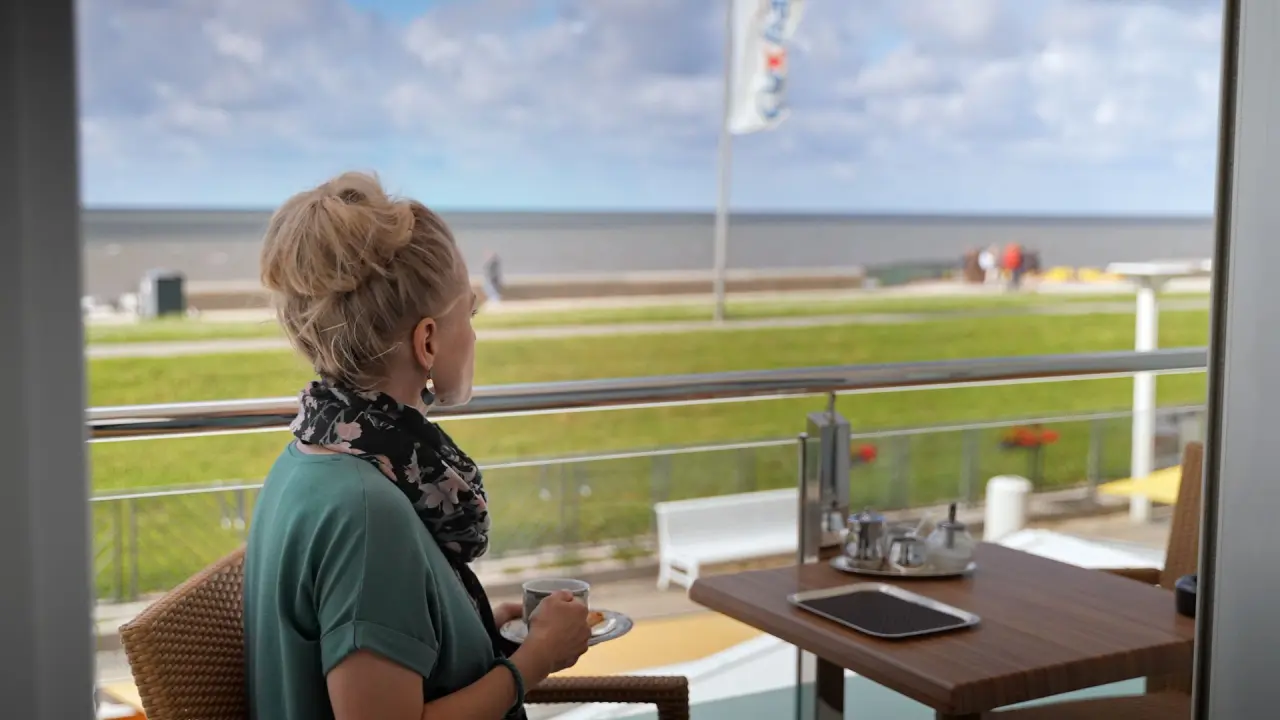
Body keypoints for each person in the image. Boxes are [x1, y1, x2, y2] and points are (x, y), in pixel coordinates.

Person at [245, 172, 590, 720]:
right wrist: (535, 661)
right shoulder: (367, 512)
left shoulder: (308, 461)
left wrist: (472, 629)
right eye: (468, 316)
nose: (473, 335)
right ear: (427, 341)